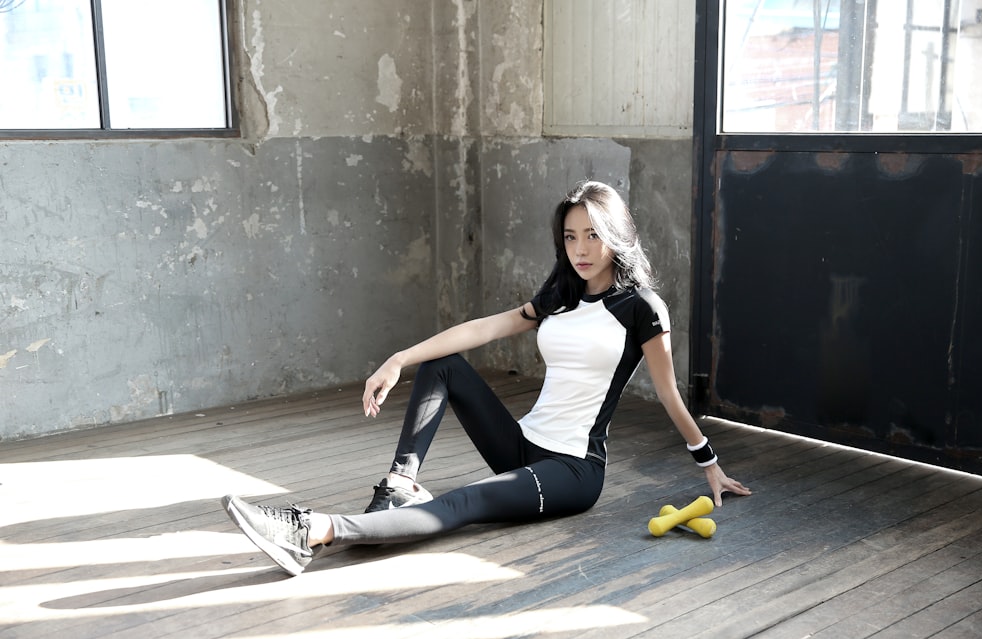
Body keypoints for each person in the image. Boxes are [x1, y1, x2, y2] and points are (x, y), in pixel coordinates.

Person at [221, 180, 751, 576]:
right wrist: (399, 358)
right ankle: (400, 483)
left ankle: (312, 530)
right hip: (523, 444)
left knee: (464, 501)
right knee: (443, 364)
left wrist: (709, 465)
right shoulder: (561, 296)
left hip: (573, 470)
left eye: (593, 235)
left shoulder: (642, 308)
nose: (581, 249)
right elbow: (483, 328)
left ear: (616, 235)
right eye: (570, 237)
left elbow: (667, 393)